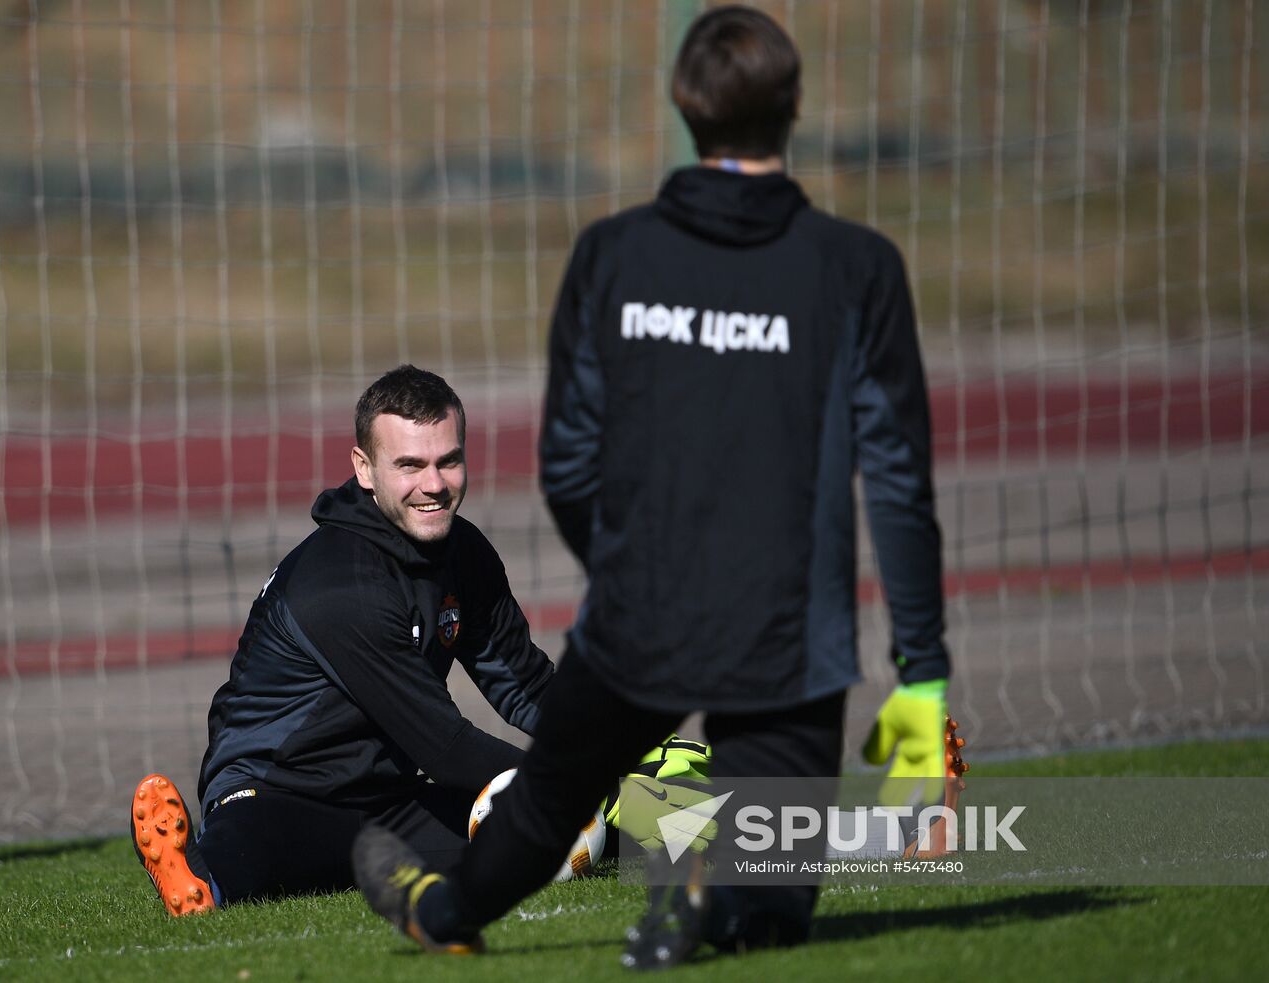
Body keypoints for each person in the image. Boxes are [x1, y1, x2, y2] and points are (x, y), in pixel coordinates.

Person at [353, 5, 958, 968]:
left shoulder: (613, 253)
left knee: (551, 802)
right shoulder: (858, 266)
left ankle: (444, 911)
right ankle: (709, 894)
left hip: (640, 616)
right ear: (794, 107)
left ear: (686, 105)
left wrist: (635, 570)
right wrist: (921, 673)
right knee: (776, 899)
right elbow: (897, 481)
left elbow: (569, 461)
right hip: (788, 632)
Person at [130, 365, 558, 915]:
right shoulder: (339, 584)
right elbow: (446, 748)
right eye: (409, 465)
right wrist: (566, 783)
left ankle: (701, 840)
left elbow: (525, 684)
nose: (434, 484)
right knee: (255, 853)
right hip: (278, 790)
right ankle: (196, 874)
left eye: (448, 461)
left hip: (387, 801)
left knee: (571, 832)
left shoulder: (465, 553)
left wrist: (619, 745)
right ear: (365, 469)